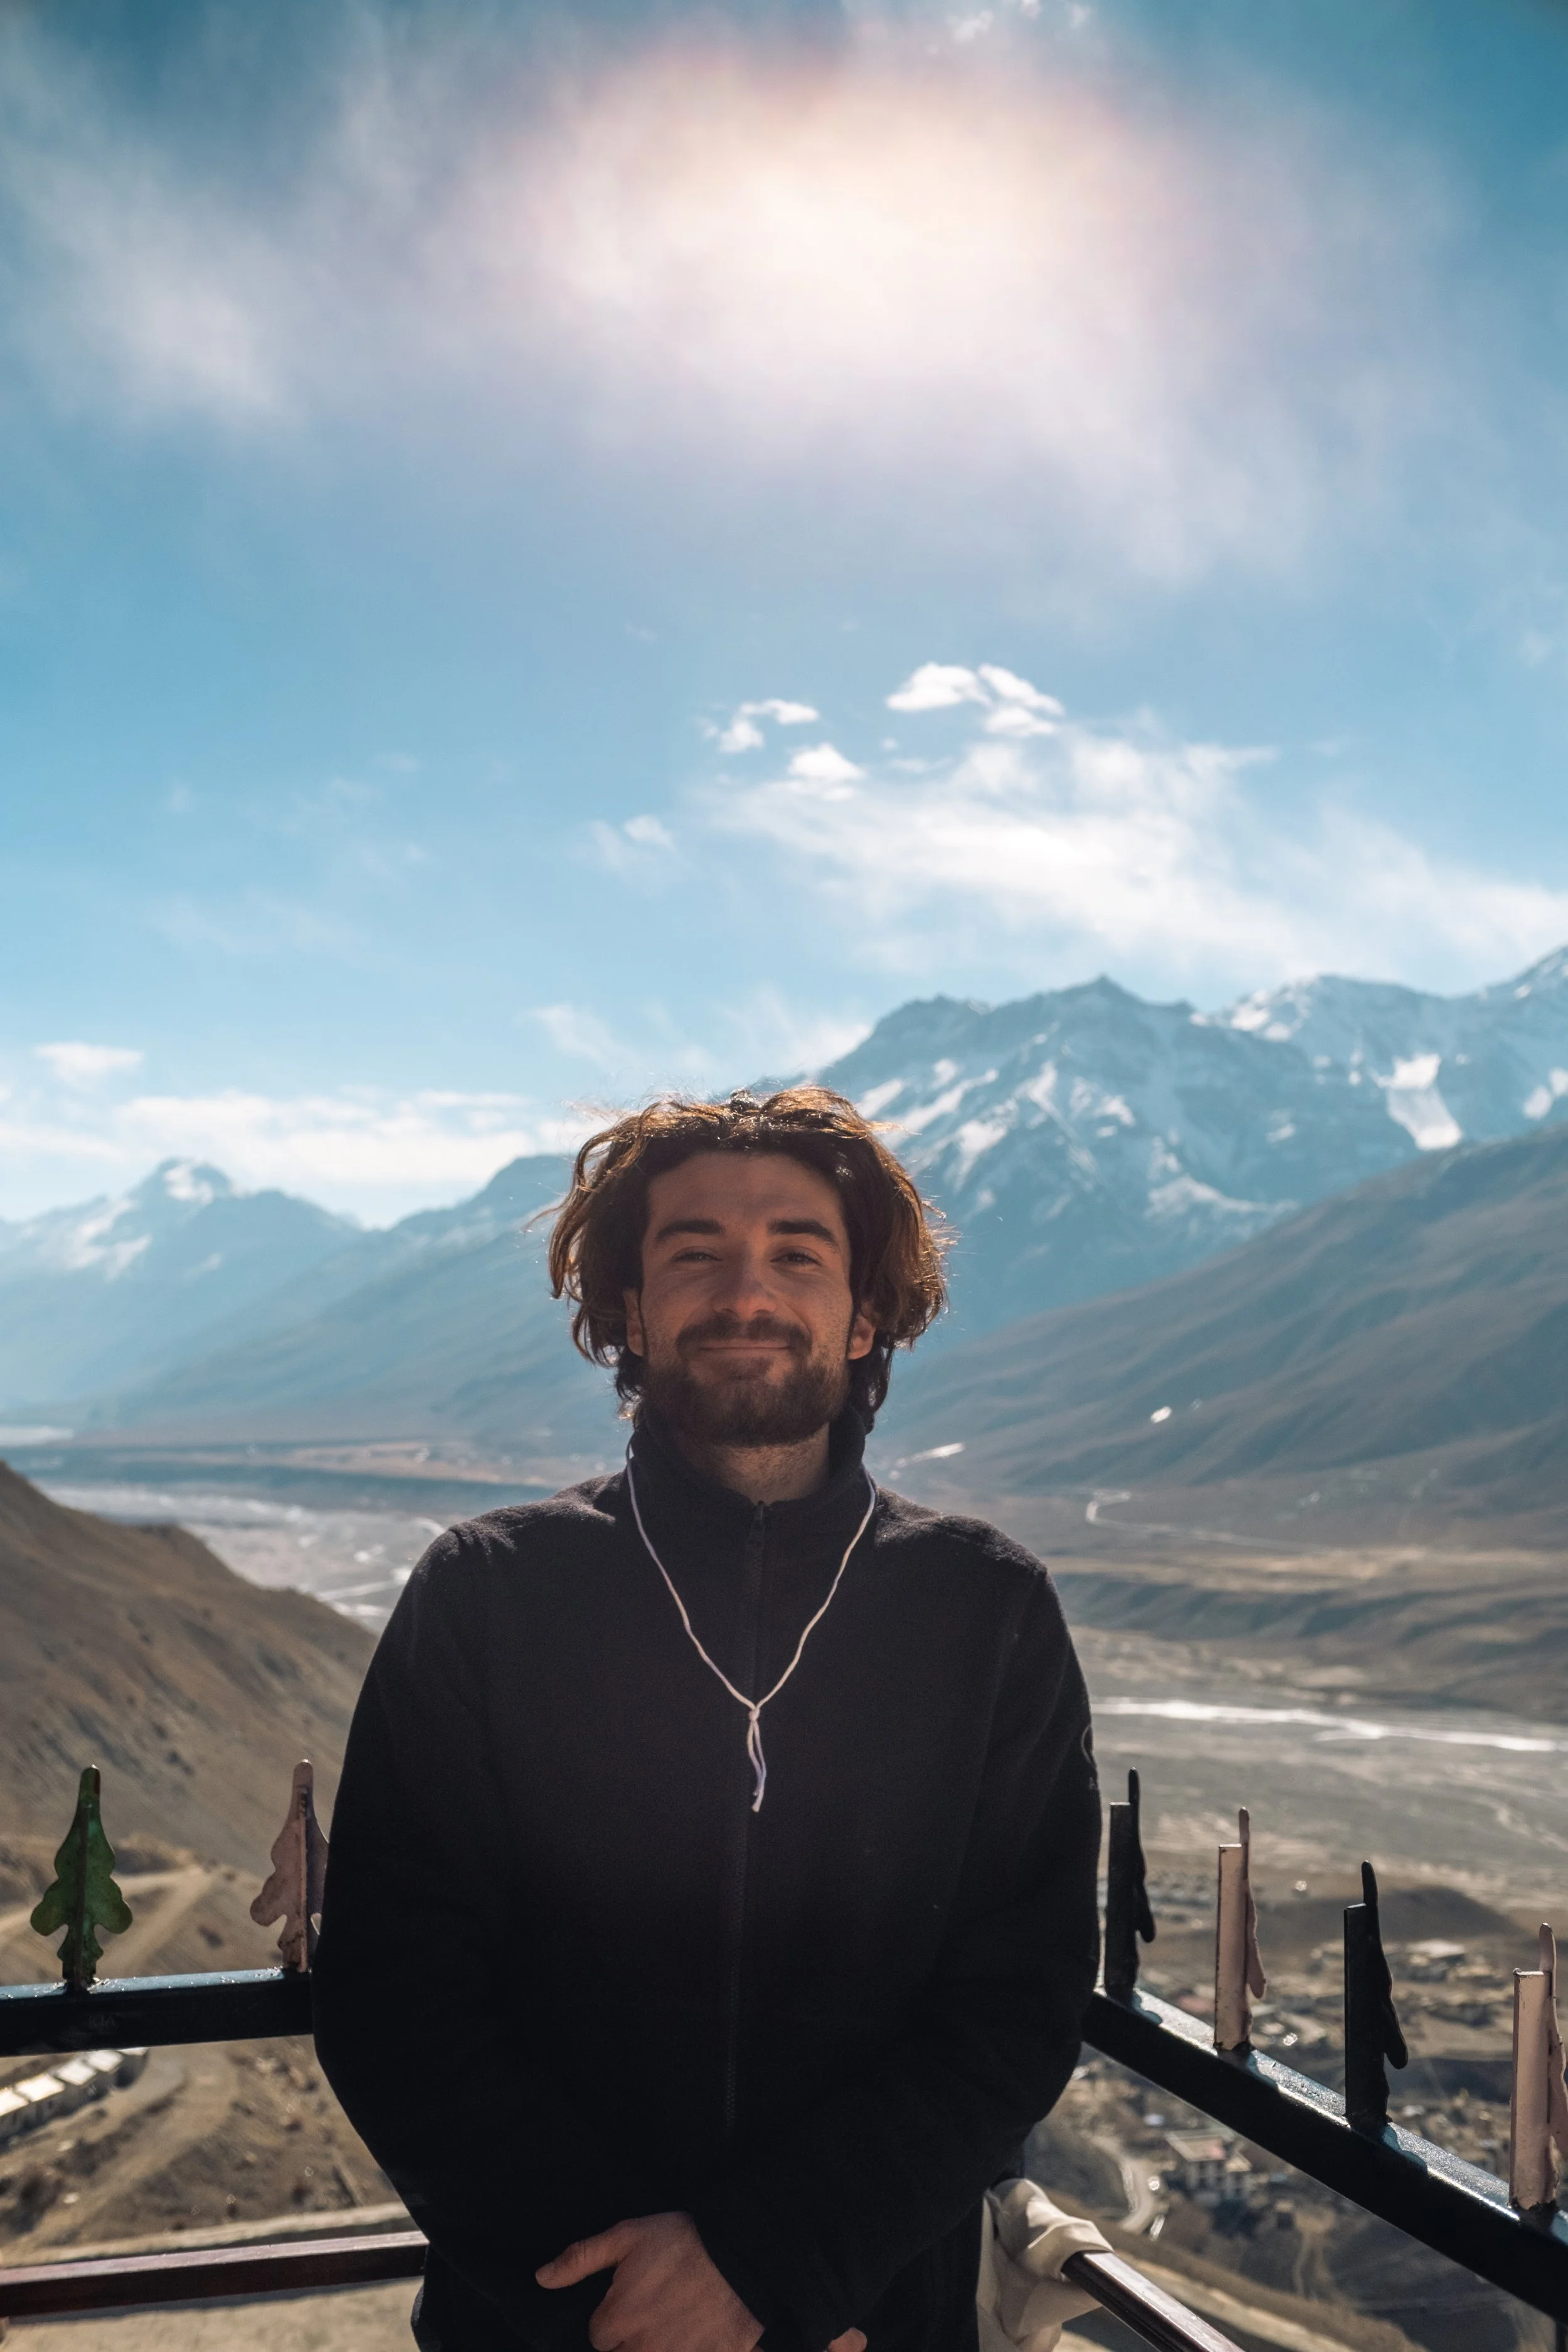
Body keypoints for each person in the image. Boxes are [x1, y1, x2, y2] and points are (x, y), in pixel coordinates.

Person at [314, 1088, 1100, 2352]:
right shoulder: (487, 1592)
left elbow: (1017, 1998)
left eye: (798, 1253)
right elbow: (395, 1996)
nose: (747, 1293)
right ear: (629, 1308)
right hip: (556, 2326)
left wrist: (778, 2269)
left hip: (861, 2322)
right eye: (694, 1253)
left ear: (863, 1317)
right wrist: (637, 2302)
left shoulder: (984, 1609)